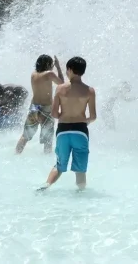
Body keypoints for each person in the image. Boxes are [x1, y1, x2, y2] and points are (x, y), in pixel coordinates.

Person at [41, 57, 96, 191]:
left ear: (70, 70)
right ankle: (81, 195)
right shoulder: (89, 91)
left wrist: (64, 117)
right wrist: (84, 121)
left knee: (59, 165)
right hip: (80, 131)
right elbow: (93, 116)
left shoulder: (60, 89)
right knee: (80, 169)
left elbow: (54, 114)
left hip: (63, 130)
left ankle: (46, 186)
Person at [16, 54, 65, 154]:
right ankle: (45, 162)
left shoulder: (33, 74)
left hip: (34, 107)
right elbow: (62, 83)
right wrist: (58, 67)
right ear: (48, 64)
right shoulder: (49, 74)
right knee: (48, 139)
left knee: (25, 135)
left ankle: (16, 154)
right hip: (46, 108)